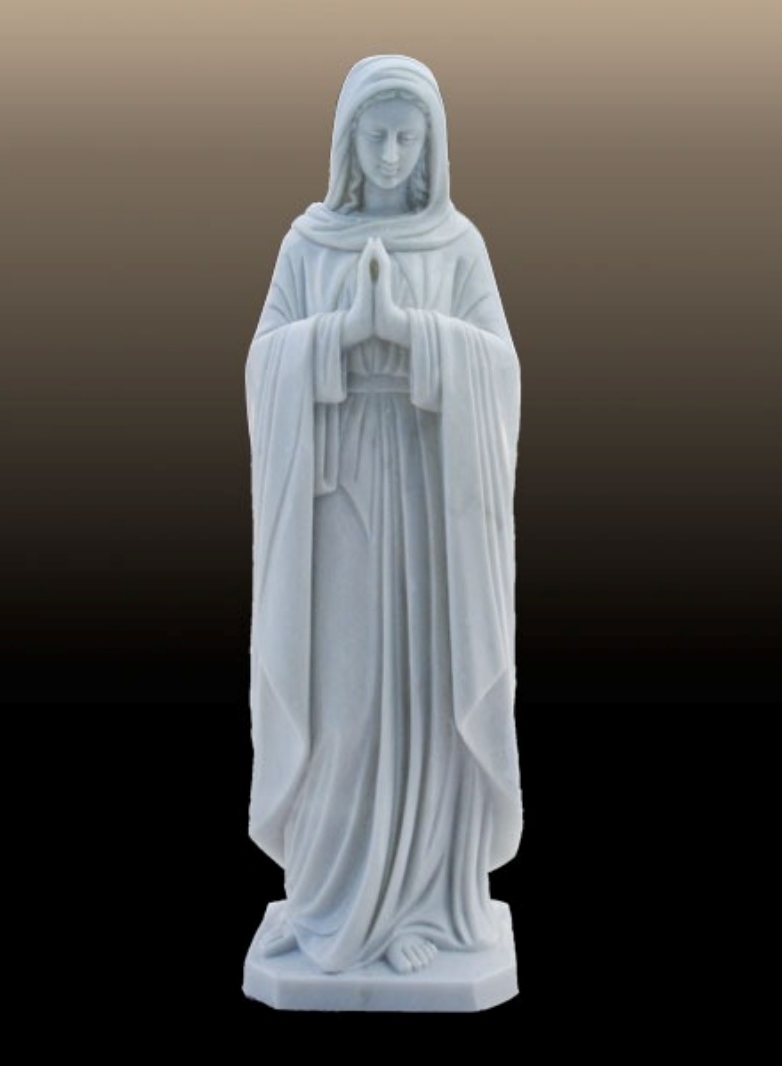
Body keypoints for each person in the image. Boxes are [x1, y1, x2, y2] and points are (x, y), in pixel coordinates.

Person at [245, 55, 522, 977]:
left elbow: (502, 373)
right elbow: (262, 364)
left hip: (430, 495)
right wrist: (340, 335)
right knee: (345, 698)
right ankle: (328, 898)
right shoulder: (308, 244)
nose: (393, 153)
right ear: (347, 141)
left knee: (427, 691)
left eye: (409, 137)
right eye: (377, 135)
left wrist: (408, 333)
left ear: (434, 145)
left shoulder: (458, 245)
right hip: (338, 501)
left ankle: (423, 905)